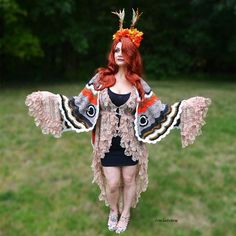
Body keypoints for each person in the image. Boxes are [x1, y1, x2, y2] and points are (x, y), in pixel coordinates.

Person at [25, 9, 211, 234]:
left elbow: (158, 111)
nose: (120, 54)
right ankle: (113, 210)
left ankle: (126, 214)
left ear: (132, 54)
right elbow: (80, 103)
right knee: (113, 183)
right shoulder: (101, 79)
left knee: (129, 179)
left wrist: (187, 108)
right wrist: (51, 100)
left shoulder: (139, 84)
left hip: (131, 142)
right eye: (117, 50)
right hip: (106, 141)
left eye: (125, 50)